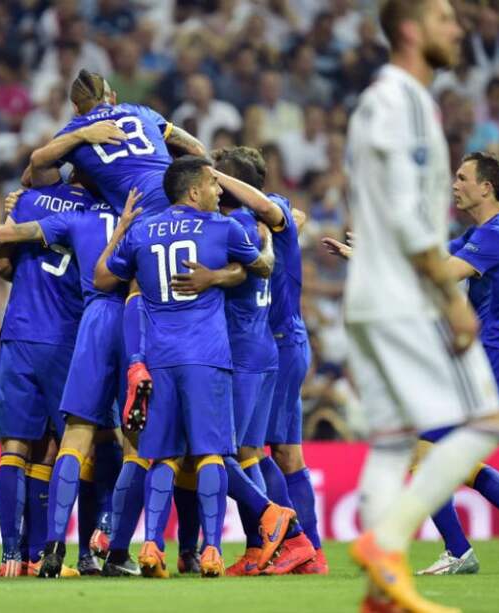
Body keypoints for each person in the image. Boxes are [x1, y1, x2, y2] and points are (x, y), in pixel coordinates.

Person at [339, 2, 499, 611]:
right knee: (485, 421)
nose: (458, 29)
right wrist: (446, 295)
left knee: (390, 443)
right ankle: (386, 543)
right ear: (410, 30)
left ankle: (384, 592)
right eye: (445, 19)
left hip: (376, 295)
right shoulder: (399, 100)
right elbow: (409, 214)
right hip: (400, 297)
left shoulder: (394, 102)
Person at [328, 151, 499, 576]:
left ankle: (460, 551)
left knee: (423, 451)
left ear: (486, 187)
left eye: (462, 177)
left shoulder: (491, 237)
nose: (454, 184)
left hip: (488, 359)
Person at [93, 156, 292, 579]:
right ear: (194, 190)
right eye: (213, 185)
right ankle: (213, 552)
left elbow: (103, 279)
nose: (219, 192)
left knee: (162, 455)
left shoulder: (144, 229)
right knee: (211, 455)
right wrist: (225, 272)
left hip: (158, 359)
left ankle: (150, 545)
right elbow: (262, 266)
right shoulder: (222, 228)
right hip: (206, 355)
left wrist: (123, 231)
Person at [27, 69, 206, 445]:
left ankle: (139, 363)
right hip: (179, 198)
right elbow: (197, 151)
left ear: (76, 107)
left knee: (128, 280)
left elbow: (34, 172)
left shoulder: (75, 136)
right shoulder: (141, 112)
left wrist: (79, 134)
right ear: (112, 95)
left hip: (140, 210)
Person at [0, 182, 135, 577]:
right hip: (70, 336)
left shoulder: (31, 199)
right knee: (79, 440)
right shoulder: (105, 207)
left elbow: (0, 265)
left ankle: (12, 558)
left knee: (15, 447)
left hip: (19, 330)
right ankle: (70, 549)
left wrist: (11, 212)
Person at [204, 145, 328, 575]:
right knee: (282, 452)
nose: (213, 185)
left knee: (246, 451)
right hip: (277, 342)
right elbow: (292, 216)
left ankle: (284, 541)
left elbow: (275, 210)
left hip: (271, 341)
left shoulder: (261, 211)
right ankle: (305, 550)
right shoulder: (263, 216)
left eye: (218, 178)